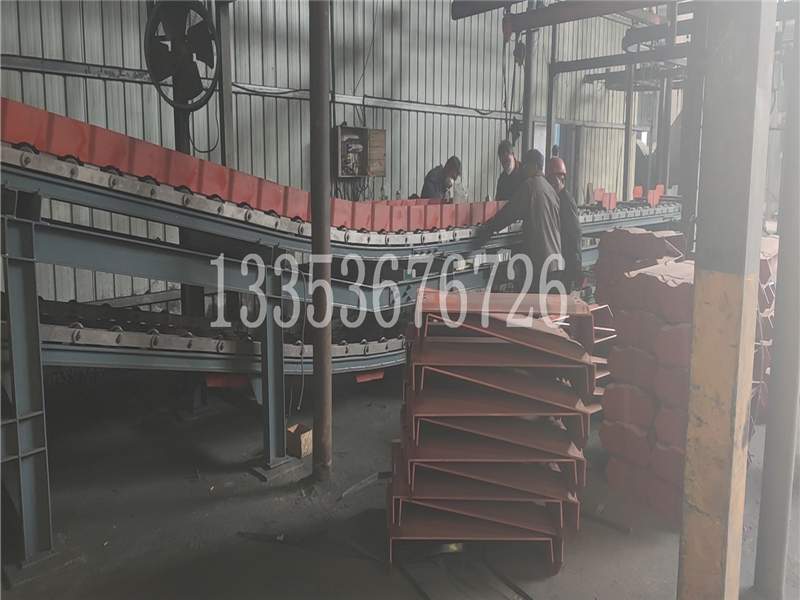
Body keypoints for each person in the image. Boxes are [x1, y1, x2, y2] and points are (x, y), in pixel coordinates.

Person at [475, 149, 561, 290]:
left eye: (527, 166)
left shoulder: (530, 186)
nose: (524, 169)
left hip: (540, 264)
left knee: (534, 302)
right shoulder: (550, 190)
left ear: (534, 166)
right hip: (555, 261)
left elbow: (510, 212)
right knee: (548, 303)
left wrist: (489, 227)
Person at [546, 157, 583, 293]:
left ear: (562, 179)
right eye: (549, 180)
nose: (552, 184)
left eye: (554, 180)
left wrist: (576, 268)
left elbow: (575, 234)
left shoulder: (566, 201)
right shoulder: (555, 199)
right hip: (559, 261)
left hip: (567, 262)